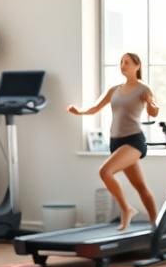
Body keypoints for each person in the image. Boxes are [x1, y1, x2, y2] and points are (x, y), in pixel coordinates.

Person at [68, 52, 159, 231]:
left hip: (134, 141)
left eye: (127, 62)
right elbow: (95, 108)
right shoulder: (114, 90)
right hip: (115, 142)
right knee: (140, 186)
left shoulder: (143, 89)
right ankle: (156, 223)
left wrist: (153, 105)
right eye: (121, 62)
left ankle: (127, 210)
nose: (123, 65)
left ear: (137, 66)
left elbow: (153, 111)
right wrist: (79, 112)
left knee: (105, 172)